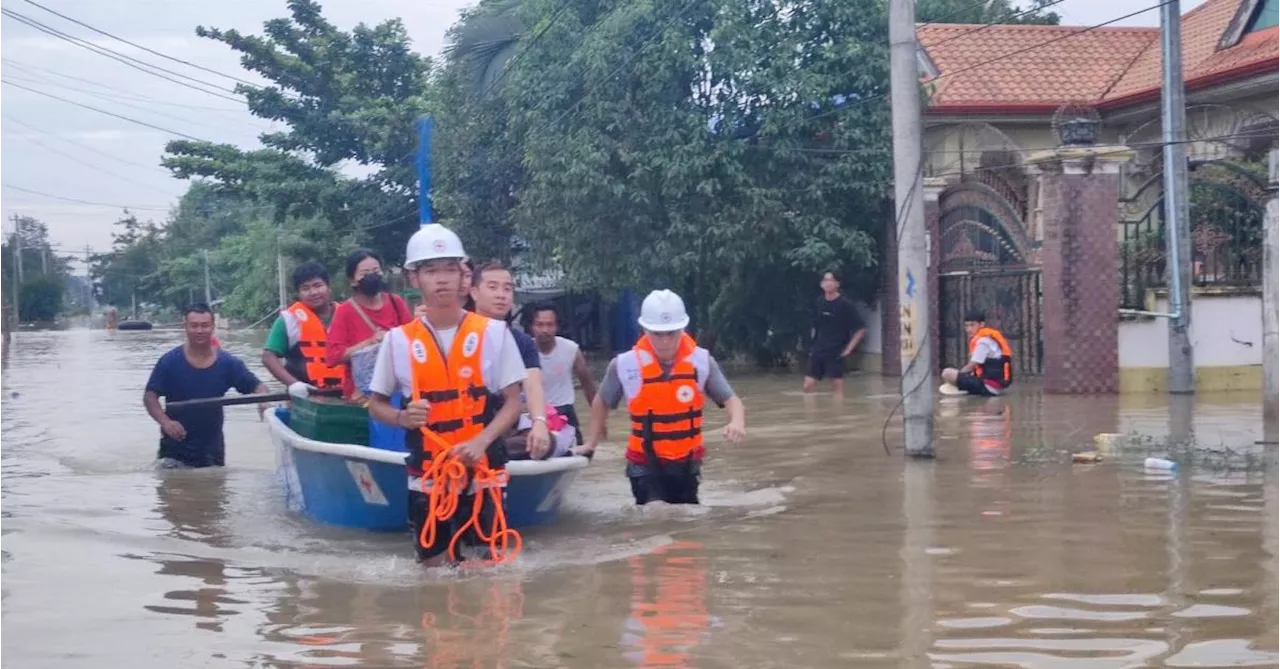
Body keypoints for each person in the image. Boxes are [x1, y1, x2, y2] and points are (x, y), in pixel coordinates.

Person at [366, 223, 527, 566]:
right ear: (414, 279)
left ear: (463, 277)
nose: (442, 279)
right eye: (431, 271)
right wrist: (401, 417)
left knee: (491, 569)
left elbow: (514, 402)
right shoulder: (398, 341)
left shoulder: (495, 333)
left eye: (450, 270)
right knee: (433, 570)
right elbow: (375, 403)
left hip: (484, 468)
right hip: (429, 474)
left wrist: (482, 441)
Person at [575, 289, 746, 506]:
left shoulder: (702, 362)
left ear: (682, 328)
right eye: (657, 334)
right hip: (644, 463)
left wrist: (737, 422)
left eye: (672, 333)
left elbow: (732, 400)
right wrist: (591, 443)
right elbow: (602, 402)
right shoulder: (624, 365)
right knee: (656, 515)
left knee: (687, 521)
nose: (665, 341)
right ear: (644, 329)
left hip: (687, 463)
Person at [143, 303, 270, 468]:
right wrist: (166, 422)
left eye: (205, 325)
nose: (199, 331)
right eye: (194, 326)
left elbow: (258, 386)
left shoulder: (228, 363)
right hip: (174, 451)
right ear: (185, 327)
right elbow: (149, 397)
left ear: (213, 327)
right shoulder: (169, 362)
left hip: (212, 452)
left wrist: (263, 400)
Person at [469, 261, 552, 458]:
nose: (501, 294)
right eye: (492, 287)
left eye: (507, 289)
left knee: (546, 441)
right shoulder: (460, 333)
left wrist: (539, 422)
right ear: (473, 292)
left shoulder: (521, 341)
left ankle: (494, 450)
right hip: (467, 423)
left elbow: (533, 385)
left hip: (504, 424)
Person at [326, 249, 414, 401]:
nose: (371, 276)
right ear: (353, 280)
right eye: (365, 273)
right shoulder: (345, 311)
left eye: (375, 271)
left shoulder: (395, 303)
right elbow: (333, 357)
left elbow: (413, 341)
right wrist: (370, 342)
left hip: (398, 388)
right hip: (361, 395)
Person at [261, 261, 343, 397]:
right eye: (305, 288)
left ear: (329, 287)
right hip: (306, 397)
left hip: (346, 394)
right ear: (299, 293)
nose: (313, 292)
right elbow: (268, 357)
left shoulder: (347, 315)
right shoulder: (289, 320)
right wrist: (293, 383)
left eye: (318, 286)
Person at [528, 302, 597, 443]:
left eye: (550, 324)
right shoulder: (524, 350)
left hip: (564, 411)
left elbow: (587, 384)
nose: (545, 330)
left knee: (579, 453)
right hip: (535, 413)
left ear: (557, 326)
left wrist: (598, 419)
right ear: (531, 327)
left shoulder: (570, 349)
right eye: (539, 325)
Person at [803, 270, 866, 395]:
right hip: (818, 349)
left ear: (837, 284)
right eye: (825, 280)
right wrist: (812, 346)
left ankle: (838, 410)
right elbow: (816, 326)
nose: (828, 283)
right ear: (821, 284)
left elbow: (861, 329)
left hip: (836, 351)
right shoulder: (819, 302)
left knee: (837, 389)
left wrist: (849, 349)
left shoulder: (845, 304)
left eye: (831, 280)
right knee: (807, 386)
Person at [941, 310, 1013, 397]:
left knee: (947, 373)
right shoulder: (987, 339)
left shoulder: (983, 342)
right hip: (994, 386)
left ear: (982, 324)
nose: (968, 329)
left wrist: (957, 377)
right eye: (966, 326)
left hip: (988, 387)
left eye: (972, 325)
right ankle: (966, 388)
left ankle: (963, 388)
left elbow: (971, 366)